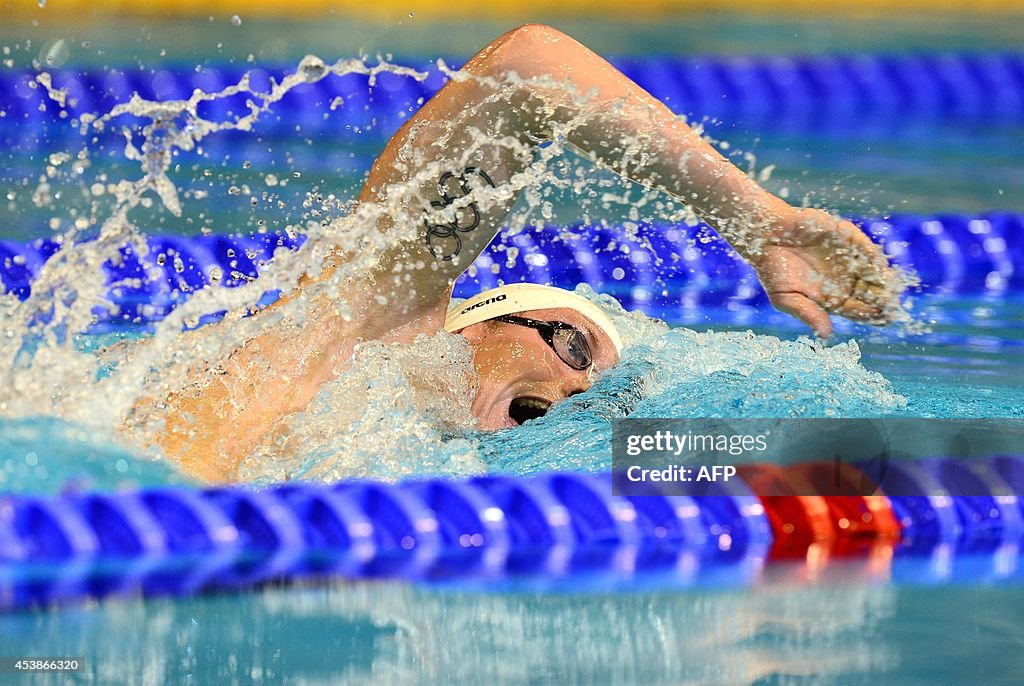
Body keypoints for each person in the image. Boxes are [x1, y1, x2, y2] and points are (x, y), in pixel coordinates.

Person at [150, 24, 902, 482]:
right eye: (575, 346)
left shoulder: (392, 455)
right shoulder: (372, 322)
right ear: (478, 325)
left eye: (596, 393)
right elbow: (529, 67)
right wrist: (757, 222)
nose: (577, 391)